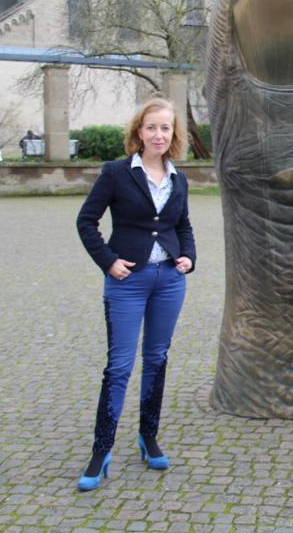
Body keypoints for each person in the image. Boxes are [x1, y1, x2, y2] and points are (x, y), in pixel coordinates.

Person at [75, 97, 196, 490]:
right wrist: (108, 261)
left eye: (166, 128)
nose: (159, 134)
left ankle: (148, 436)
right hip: (127, 281)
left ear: (173, 134)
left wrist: (188, 257)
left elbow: (184, 226)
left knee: (157, 358)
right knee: (119, 366)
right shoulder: (116, 173)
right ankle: (102, 448)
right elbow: (87, 221)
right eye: (151, 127)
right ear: (138, 132)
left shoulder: (180, 178)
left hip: (169, 281)